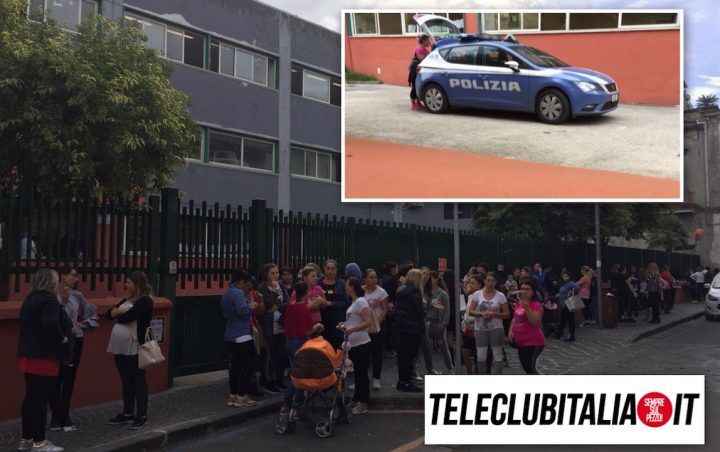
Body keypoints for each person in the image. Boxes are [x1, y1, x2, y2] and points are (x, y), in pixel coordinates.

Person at [17, 269, 71, 452]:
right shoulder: (49, 300)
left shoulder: (30, 299)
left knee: (30, 399)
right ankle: (39, 443)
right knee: (40, 401)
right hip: (45, 356)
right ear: (52, 282)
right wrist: (62, 338)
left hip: (28, 355)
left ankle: (26, 439)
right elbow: (50, 323)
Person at [50, 267, 98, 433]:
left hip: (75, 339)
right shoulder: (51, 294)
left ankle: (65, 414)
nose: (75, 279)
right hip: (57, 340)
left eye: (76, 276)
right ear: (62, 276)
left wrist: (83, 324)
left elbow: (91, 314)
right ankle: (55, 416)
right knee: (55, 377)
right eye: (73, 275)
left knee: (69, 377)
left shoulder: (77, 296)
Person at [106, 271, 153, 429]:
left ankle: (142, 415)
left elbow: (127, 317)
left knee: (138, 379)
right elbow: (108, 314)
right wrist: (117, 312)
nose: (125, 285)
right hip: (119, 346)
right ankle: (127, 412)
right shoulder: (126, 300)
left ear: (138, 284)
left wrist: (117, 312)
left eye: (129, 283)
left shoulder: (145, 301)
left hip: (135, 345)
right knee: (125, 378)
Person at [280, 282, 325, 418]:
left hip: (289, 342)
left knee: (297, 374)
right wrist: (317, 326)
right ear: (306, 293)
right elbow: (307, 331)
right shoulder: (303, 309)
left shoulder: (291, 306)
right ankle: (291, 405)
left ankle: (292, 405)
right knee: (299, 377)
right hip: (299, 343)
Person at [338, 277, 372, 414]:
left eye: (347, 285)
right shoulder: (355, 302)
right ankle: (357, 399)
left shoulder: (360, 301)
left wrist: (350, 329)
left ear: (352, 287)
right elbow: (354, 321)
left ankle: (363, 402)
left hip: (362, 343)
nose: (345, 287)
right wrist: (344, 325)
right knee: (358, 374)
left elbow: (367, 322)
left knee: (361, 374)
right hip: (355, 344)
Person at [257, 263, 290, 394]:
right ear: (266, 274)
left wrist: (276, 307)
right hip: (269, 325)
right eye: (272, 273)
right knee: (270, 354)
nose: (275, 276)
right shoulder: (263, 287)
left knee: (281, 354)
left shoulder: (281, 285)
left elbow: (287, 301)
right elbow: (268, 303)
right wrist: (275, 292)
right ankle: (268, 381)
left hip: (281, 323)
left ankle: (279, 380)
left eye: (277, 273)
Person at [468, 272, 509, 375]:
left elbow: (507, 314)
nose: (490, 283)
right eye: (488, 280)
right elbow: (471, 311)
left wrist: (494, 314)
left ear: (495, 282)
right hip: (480, 328)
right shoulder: (477, 294)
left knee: (497, 354)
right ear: (484, 281)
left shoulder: (500, 296)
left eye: (493, 281)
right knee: (481, 355)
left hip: (496, 328)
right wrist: (481, 314)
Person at [395, 269, 425, 392]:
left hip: (401, 327)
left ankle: (402, 381)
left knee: (402, 357)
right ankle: (408, 382)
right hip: (413, 329)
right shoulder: (416, 294)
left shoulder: (400, 291)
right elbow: (420, 313)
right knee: (410, 357)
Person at [509, 279, 545, 375]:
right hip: (521, 342)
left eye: (527, 289)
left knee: (530, 369)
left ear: (533, 291)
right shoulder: (519, 304)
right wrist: (510, 331)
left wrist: (527, 308)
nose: (524, 292)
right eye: (522, 289)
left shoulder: (536, 305)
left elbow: (535, 322)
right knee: (526, 368)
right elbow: (515, 319)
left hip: (533, 342)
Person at [362, 268, 389, 390]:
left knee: (377, 353)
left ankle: (376, 378)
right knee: (363, 354)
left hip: (377, 326)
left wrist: (377, 322)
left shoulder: (381, 292)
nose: (374, 280)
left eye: (375, 277)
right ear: (365, 279)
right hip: (362, 326)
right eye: (371, 277)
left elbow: (385, 309)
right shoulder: (361, 291)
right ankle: (361, 379)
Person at [424, 270, 453, 374]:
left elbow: (447, 310)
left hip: (438, 322)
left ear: (436, 280)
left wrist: (444, 324)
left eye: (431, 278)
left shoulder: (443, 293)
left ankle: (449, 367)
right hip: (427, 321)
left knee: (443, 346)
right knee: (427, 347)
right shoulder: (425, 293)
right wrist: (431, 305)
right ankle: (430, 368)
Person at [318, 259, 349, 348]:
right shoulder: (318, 283)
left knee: (336, 346)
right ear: (324, 269)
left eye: (332, 269)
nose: (330, 271)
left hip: (336, 319)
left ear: (336, 270)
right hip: (321, 319)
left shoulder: (341, 284)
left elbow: (346, 303)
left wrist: (330, 303)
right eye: (328, 268)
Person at [461, 275, 483, 375]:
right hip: (468, 328)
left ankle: (479, 372)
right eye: (470, 283)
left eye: (473, 283)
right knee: (465, 350)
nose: (470, 285)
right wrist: (465, 317)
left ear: (479, 285)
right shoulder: (470, 296)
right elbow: (467, 310)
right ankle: (469, 373)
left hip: (478, 328)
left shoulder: (482, 297)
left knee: (478, 353)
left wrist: (470, 318)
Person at [408, 33, 431, 110]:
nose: (429, 41)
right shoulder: (420, 49)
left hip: (420, 70)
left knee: (418, 85)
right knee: (414, 86)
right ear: (424, 41)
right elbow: (421, 59)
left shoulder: (425, 49)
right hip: (415, 69)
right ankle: (413, 104)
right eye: (428, 40)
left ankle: (418, 103)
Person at [555, 270, 579, 342]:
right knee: (564, 319)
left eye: (566, 276)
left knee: (568, 320)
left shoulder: (571, 283)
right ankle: (560, 333)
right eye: (564, 276)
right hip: (563, 304)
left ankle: (569, 335)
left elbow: (577, 288)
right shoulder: (564, 283)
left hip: (568, 304)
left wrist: (571, 293)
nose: (565, 278)